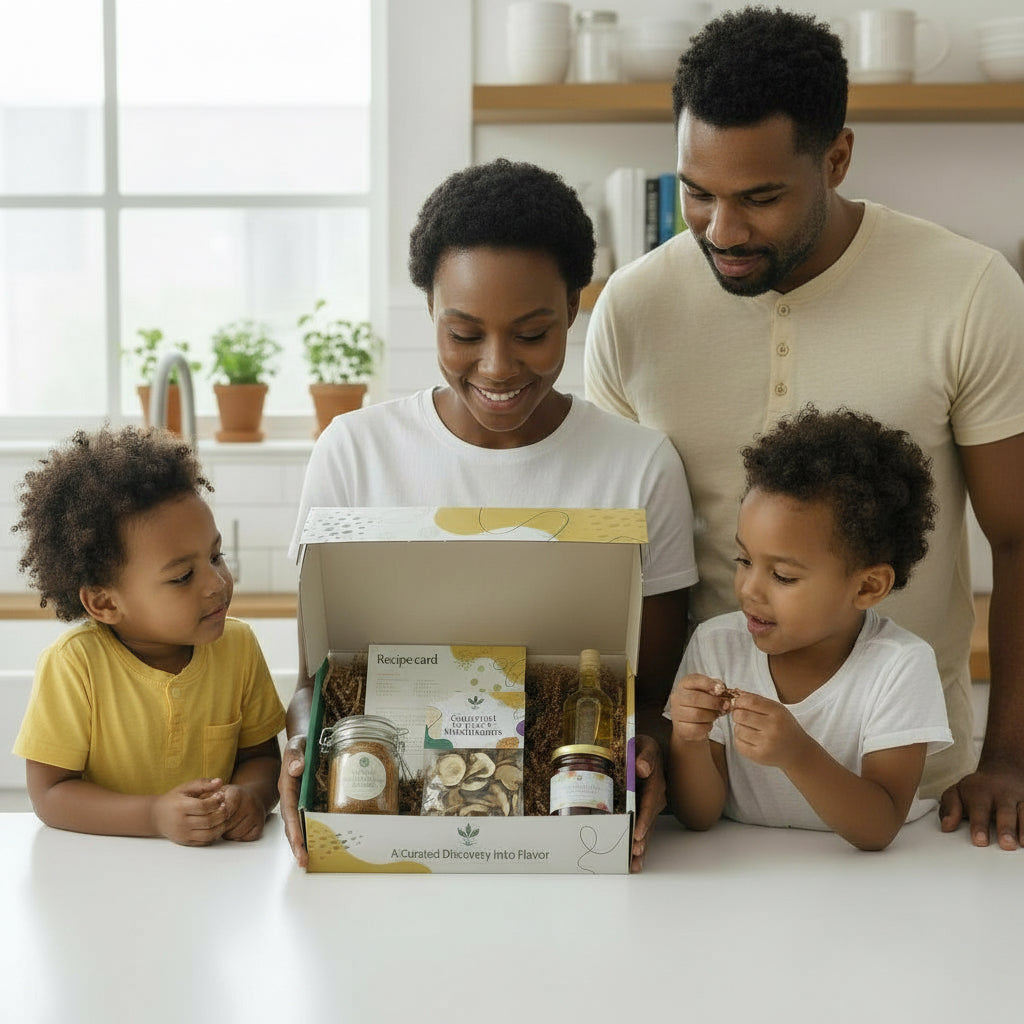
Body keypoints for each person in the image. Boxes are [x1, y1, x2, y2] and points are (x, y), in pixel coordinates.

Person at [585, 6, 1024, 850]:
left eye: (760, 198)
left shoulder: (967, 291)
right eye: (698, 193)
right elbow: (614, 557)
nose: (722, 231)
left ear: (837, 158)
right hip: (700, 792)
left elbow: (1018, 537)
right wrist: (639, 737)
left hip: (911, 797)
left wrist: (1009, 756)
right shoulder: (633, 309)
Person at [279, 158, 699, 870]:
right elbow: (315, 689)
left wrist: (649, 756)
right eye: (465, 334)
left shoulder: (639, 466)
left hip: (573, 828)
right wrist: (299, 754)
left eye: (532, 333)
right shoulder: (353, 452)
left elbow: (650, 696)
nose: (498, 366)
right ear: (431, 312)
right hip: (385, 831)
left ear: (574, 307)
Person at [667, 406, 952, 850]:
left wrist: (798, 754)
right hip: (739, 872)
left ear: (868, 586)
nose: (749, 589)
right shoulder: (716, 645)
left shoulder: (899, 666)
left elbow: (879, 828)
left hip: (877, 884)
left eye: (783, 576)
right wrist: (688, 739)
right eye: (744, 560)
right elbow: (699, 816)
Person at [12, 426, 286, 846]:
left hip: (214, 871)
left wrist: (251, 796)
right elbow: (50, 795)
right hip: (103, 869)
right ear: (105, 603)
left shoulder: (238, 647)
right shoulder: (74, 665)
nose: (217, 583)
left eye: (216, 556)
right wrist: (155, 816)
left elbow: (262, 758)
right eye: (182, 576)